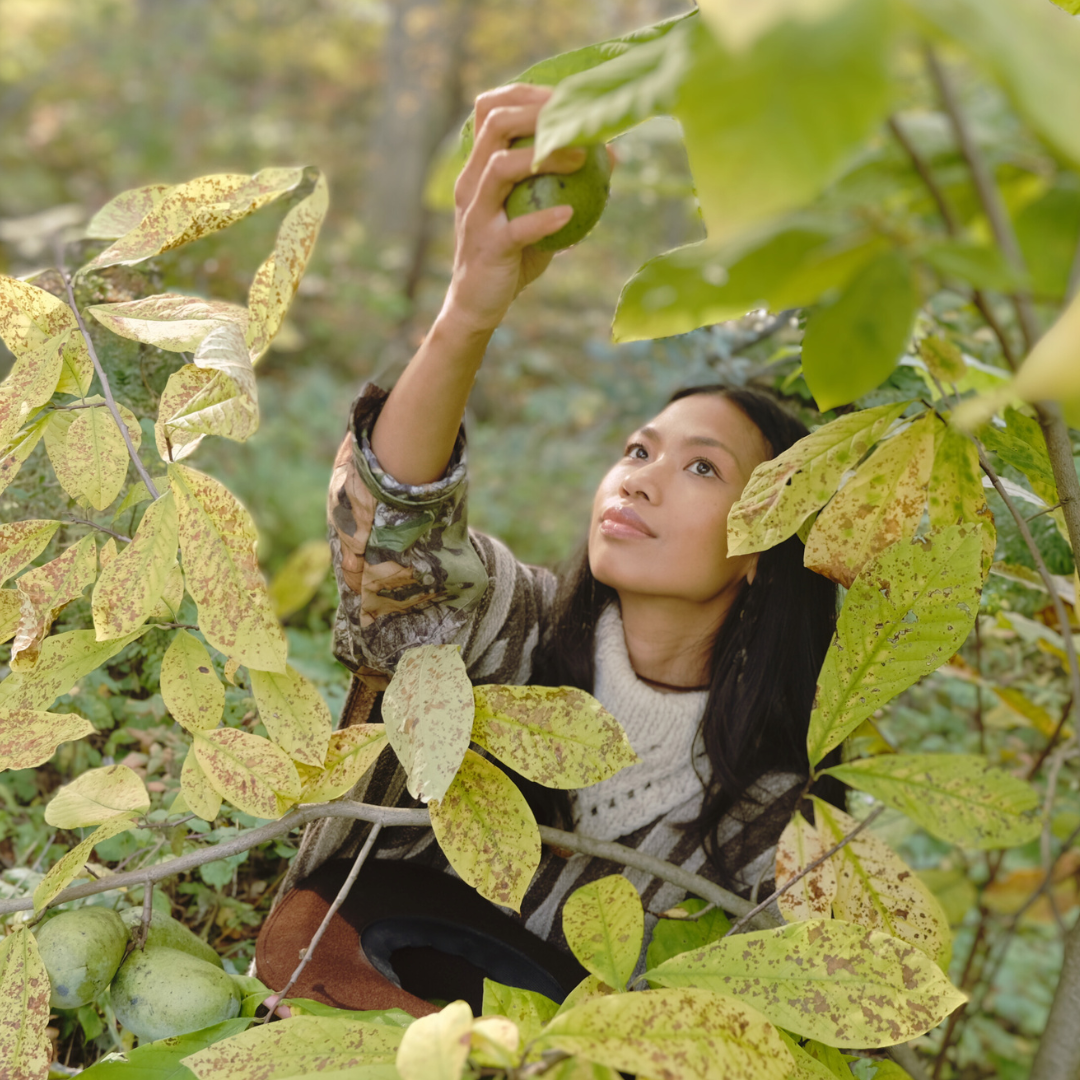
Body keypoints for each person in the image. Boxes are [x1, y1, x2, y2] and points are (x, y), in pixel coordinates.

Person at [256, 83, 841, 1014]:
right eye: (638, 451)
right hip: (316, 1031)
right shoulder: (509, 629)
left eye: (701, 468)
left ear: (763, 546)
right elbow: (392, 532)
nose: (639, 479)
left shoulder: (778, 825)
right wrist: (469, 306)